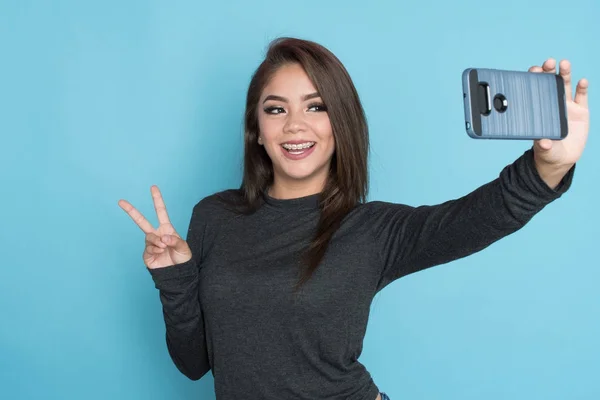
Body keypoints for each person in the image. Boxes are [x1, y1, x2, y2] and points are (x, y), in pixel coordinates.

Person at [118, 37, 589, 400]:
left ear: (339, 125)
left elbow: (475, 219)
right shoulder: (214, 216)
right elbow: (195, 363)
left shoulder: (372, 230)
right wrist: (174, 278)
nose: (295, 125)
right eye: (276, 109)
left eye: (316, 107)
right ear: (256, 131)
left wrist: (547, 166)